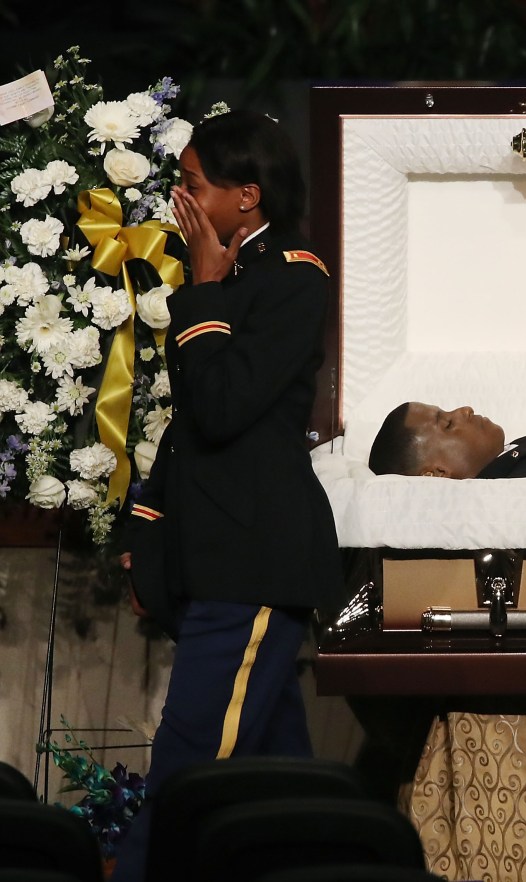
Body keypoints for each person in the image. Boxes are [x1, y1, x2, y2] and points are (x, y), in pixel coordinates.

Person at [111, 110, 343, 882]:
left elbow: (221, 408)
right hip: (222, 555)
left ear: (246, 196)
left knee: (189, 764)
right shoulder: (237, 277)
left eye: (191, 184)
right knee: (279, 777)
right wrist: (148, 538)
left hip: (254, 560)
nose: (178, 198)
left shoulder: (292, 277)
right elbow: (188, 439)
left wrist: (202, 292)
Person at [367, 401, 526, 478]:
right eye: (447, 423)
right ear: (437, 472)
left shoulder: (515, 456)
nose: (464, 410)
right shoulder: (521, 486)